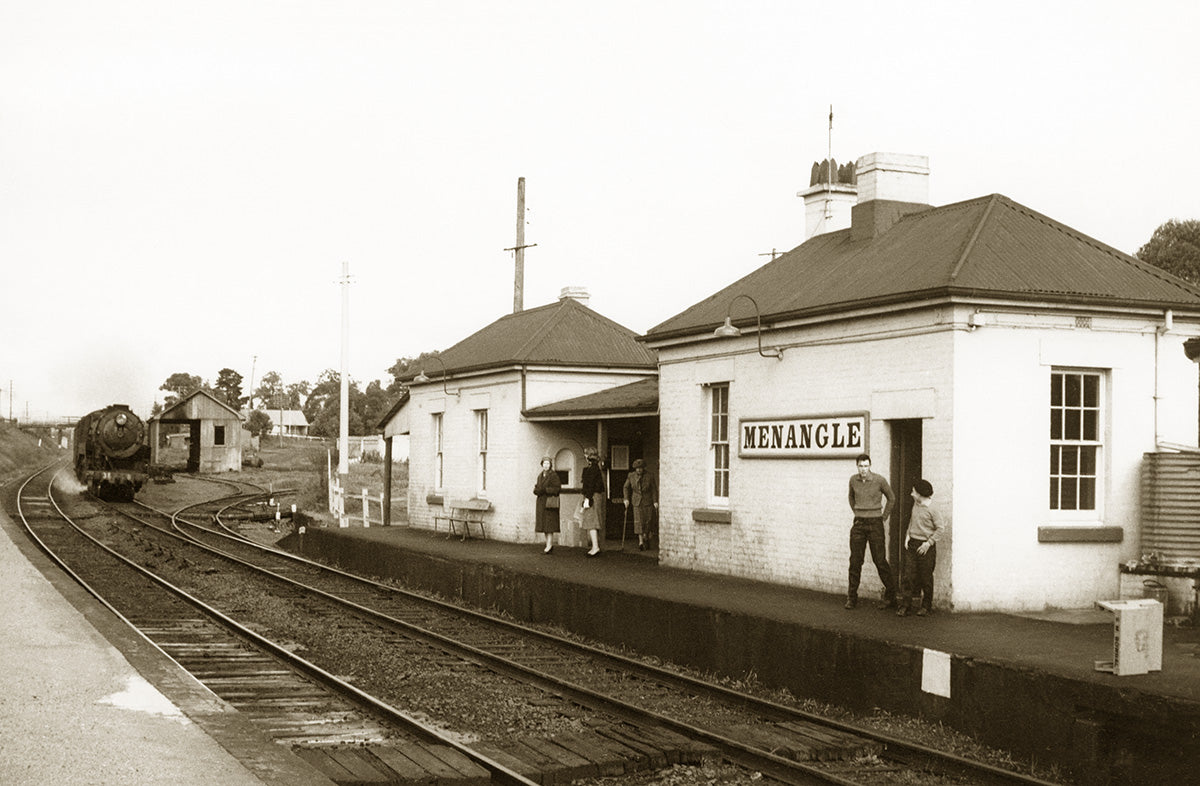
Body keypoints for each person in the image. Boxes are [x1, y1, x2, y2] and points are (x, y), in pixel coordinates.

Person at [845, 453, 898, 610]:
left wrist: (884, 516)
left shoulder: (879, 480)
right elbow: (851, 497)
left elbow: (892, 498)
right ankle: (851, 597)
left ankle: (891, 596)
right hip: (859, 524)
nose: (863, 469)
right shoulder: (853, 480)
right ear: (857, 466)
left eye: (866, 466)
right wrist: (857, 511)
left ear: (870, 466)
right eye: (860, 466)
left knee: (880, 561)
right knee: (855, 561)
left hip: (875, 523)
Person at [897, 479, 946, 617]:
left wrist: (928, 543)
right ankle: (906, 605)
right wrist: (908, 535)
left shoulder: (933, 509)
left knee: (926, 577)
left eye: (914, 491)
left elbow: (940, 529)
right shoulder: (916, 504)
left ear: (920, 494)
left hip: (926, 547)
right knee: (908, 575)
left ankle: (926, 606)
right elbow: (912, 521)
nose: (911, 493)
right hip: (912, 544)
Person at [622, 458, 658, 551]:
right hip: (636, 501)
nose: (639, 470)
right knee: (638, 521)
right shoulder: (631, 476)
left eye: (641, 468)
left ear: (643, 468)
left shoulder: (650, 476)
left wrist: (655, 501)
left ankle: (646, 536)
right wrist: (626, 499)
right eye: (637, 468)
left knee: (648, 520)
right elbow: (626, 487)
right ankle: (641, 541)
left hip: (647, 501)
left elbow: (654, 489)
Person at [580, 447, 605, 557]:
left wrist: (587, 499)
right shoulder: (594, 468)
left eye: (586, 454)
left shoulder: (592, 469)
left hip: (592, 496)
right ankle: (595, 546)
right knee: (592, 522)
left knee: (592, 522)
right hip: (594, 496)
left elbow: (590, 485)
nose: (585, 456)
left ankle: (595, 547)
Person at [533, 456, 561, 553]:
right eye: (544, 463)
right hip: (541, 502)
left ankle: (549, 545)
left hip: (549, 503)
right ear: (542, 464)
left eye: (548, 464)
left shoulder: (553, 475)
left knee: (549, 525)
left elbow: (557, 489)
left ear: (550, 465)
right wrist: (536, 491)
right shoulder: (540, 475)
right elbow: (536, 487)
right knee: (544, 525)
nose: (546, 465)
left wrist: (545, 490)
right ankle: (548, 545)